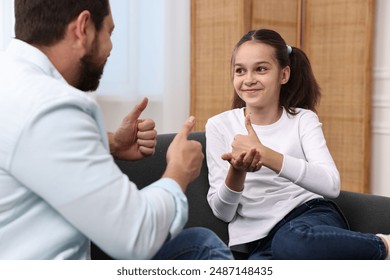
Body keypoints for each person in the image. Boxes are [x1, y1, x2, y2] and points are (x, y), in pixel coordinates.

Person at [0, 0, 233, 260]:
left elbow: (32, 146)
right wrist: (179, 170)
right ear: (83, 28)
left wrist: (111, 144)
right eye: (109, 33)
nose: (110, 48)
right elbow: (138, 237)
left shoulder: (11, 82)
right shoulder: (51, 105)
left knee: (200, 243)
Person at [205, 29, 390, 260]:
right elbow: (223, 212)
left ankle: (384, 246)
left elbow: (331, 185)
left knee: (292, 241)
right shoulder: (218, 126)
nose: (249, 79)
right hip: (257, 243)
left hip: (309, 218)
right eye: (240, 70)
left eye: (261, 69)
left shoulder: (303, 119)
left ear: (284, 75)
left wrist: (267, 155)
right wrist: (237, 171)